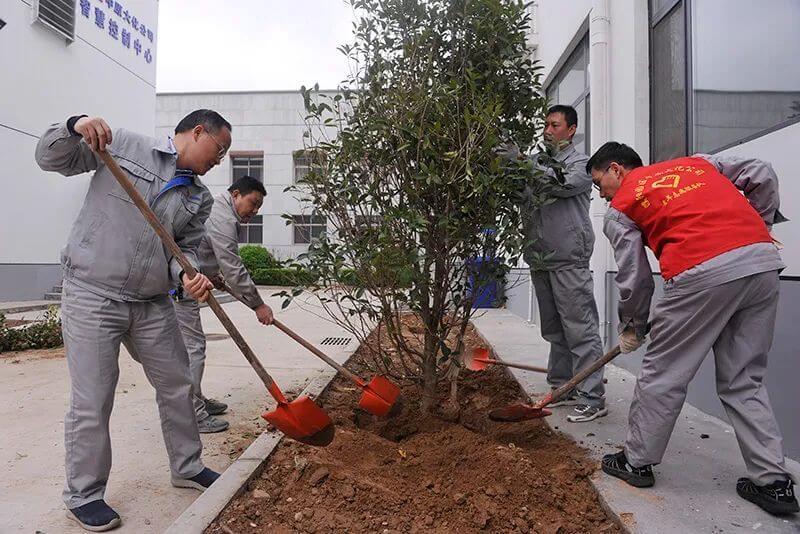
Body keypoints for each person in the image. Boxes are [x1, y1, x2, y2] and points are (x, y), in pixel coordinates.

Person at [35, 109, 232, 531]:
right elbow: (50, 159)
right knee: (94, 396)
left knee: (178, 382)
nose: (221, 159)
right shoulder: (122, 145)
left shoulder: (200, 198)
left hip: (150, 302)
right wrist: (72, 127)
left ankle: (187, 466)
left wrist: (188, 276)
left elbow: (185, 251)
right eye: (220, 149)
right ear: (198, 132)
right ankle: (84, 493)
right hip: (93, 293)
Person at [587, 141, 798, 516]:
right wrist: (759, 225)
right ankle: (774, 484)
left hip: (700, 271)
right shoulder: (697, 164)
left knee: (663, 373)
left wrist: (633, 325)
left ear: (617, 170)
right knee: (744, 378)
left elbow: (634, 278)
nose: (601, 194)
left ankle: (636, 462)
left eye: (599, 183)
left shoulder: (620, 209)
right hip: (762, 262)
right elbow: (761, 170)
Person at [516, 105, 606, 422]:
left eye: (555, 125)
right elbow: (523, 192)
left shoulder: (582, 164)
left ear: (571, 130)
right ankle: (562, 387)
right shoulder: (537, 163)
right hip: (540, 257)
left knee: (580, 328)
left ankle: (593, 397)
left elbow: (561, 184)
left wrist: (522, 164)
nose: (548, 131)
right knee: (555, 329)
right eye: (546, 125)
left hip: (568, 255)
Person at [174, 175, 274, 433]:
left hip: (193, 279)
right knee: (193, 348)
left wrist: (211, 273)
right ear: (236, 195)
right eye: (253, 203)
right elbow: (233, 266)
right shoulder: (224, 217)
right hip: (180, 286)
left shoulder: (220, 210)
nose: (254, 211)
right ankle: (191, 413)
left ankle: (195, 399)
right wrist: (258, 305)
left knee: (191, 347)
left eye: (259, 207)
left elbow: (203, 248)